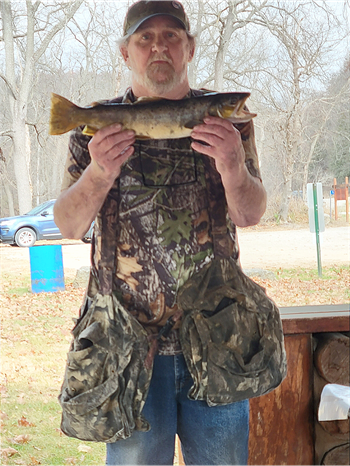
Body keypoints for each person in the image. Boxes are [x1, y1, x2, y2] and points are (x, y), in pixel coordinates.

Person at [54, 1, 267, 465]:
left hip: (218, 340)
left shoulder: (227, 121)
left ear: (189, 48)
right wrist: (98, 173)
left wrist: (232, 165)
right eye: (144, 39)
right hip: (127, 346)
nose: (159, 48)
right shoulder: (93, 126)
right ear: (125, 53)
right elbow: (69, 224)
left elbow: (250, 213)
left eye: (171, 36)